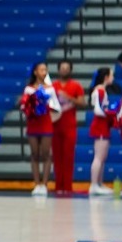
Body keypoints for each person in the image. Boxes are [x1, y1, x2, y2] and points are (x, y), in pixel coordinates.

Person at [21, 63, 59, 196]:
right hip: (33, 123)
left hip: (45, 122)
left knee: (46, 154)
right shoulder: (28, 89)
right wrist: (30, 107)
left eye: (45, 70)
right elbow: (23, 107)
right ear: (35, 72)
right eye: (41, 69)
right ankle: (37, 183)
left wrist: (46, 105)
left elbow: (57, 106)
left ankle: (44, 183)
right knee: (35, 153)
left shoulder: (50, 89)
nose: (44, 72)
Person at [49, 60, 83, 195]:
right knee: (56, 157)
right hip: (55, 124)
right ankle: (59, 186)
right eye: (62, 68)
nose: (64, 70)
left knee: (68, 156)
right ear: (58, 70)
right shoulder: (52, 86)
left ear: (70, 70)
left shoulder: (76, 85)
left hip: (69, 125)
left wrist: (68, 97)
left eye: (67, 68)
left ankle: (67, 187)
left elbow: (82, 102)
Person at [87, 67, 117, 195]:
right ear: (106, 77)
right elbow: (98, 110)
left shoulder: (102, 90)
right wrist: (112, 113)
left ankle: (99, 183)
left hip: (103, 124)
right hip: (100, 125)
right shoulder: (99, 91)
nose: (113, 78)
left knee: (102, 157)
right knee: (99, 157)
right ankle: (94, 185)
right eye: (112, 75)